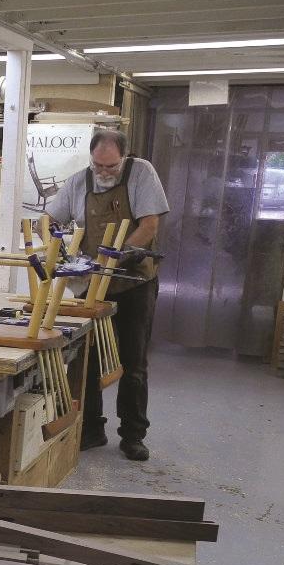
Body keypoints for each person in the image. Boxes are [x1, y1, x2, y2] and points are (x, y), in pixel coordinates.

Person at [43, 129, 169, 461]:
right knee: (88, 360)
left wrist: (124, 252)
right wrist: (51, 243)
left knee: (133, 360)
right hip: (93, 285)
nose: (103, 173)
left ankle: (132, 435)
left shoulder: (141, 173)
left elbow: (150, 225)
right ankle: (91, 429)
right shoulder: (78, 182)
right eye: (98, 165)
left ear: (124, 158)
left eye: (110, 166)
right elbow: (50, 218)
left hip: (133, 282)